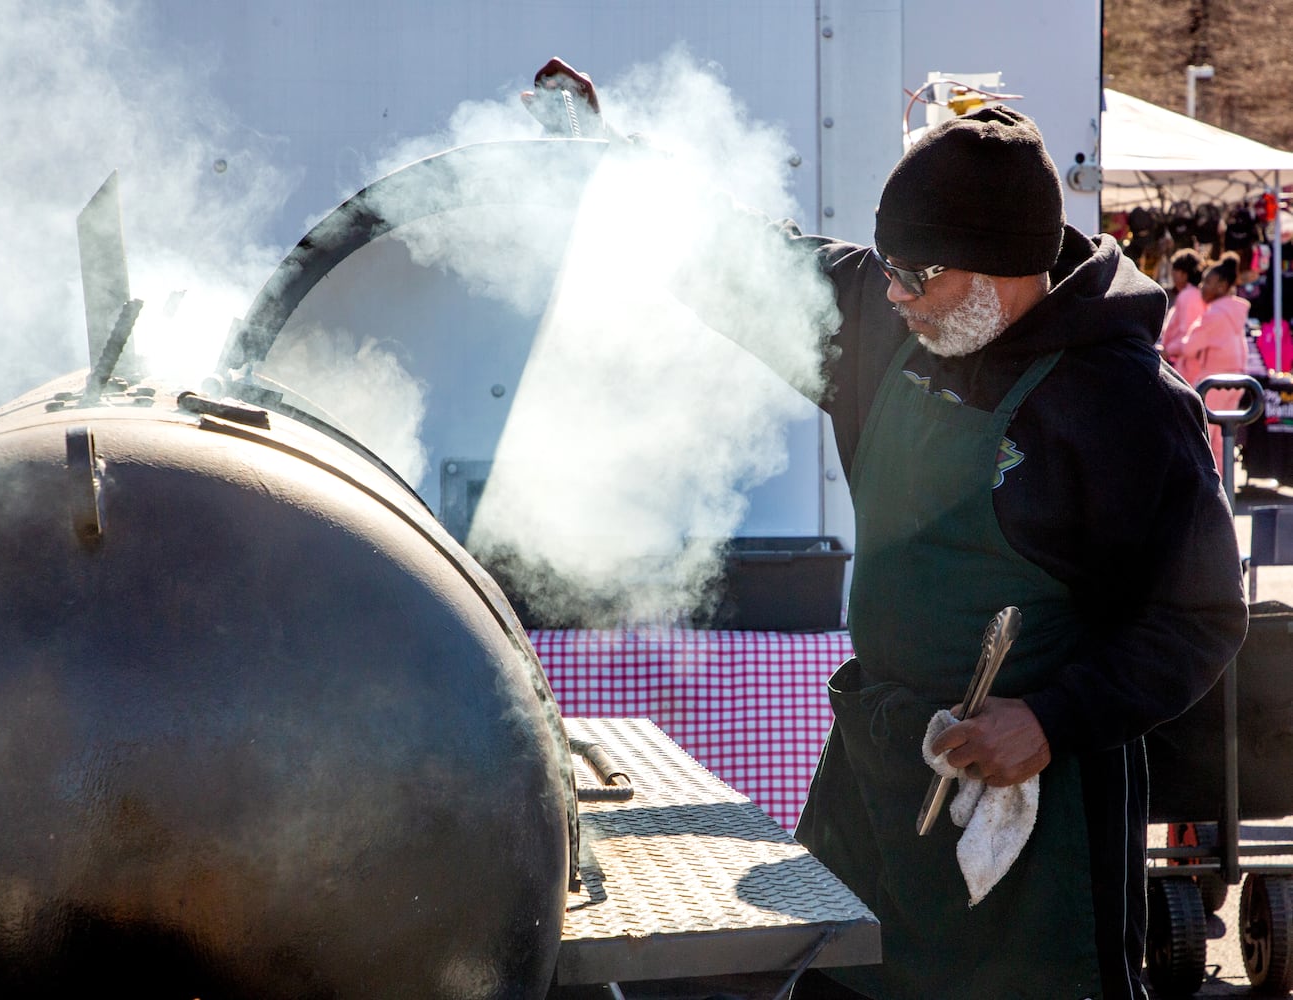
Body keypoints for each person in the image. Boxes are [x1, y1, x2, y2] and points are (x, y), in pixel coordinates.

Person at [530, 60, 1248, 999]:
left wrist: (1048, 719)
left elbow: (1199, 619)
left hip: (1040, 817)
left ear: (1001, 268)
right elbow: (739, 261)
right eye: (890, 269)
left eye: (918, 276)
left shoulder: (1124, 407)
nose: (895, 294)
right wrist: (603, 160)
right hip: (877, 770)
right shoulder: (885, 316)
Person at [1167, 251, 1251, 466]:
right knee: (1223, 438)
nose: (1202, 286)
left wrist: (1168, 350)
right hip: (1236, 378)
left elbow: (1189, 346)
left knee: (1206, 438)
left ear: (1222, 286)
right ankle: (1225, 488)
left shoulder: (1215, 314)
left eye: (1208, 282)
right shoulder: (1232, 311)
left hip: (1214, 381)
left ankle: (1212, 492)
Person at [1158, 247, 1206, 359]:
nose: (1172, 274)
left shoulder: (1188, 296)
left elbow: (1188, 334)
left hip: (1187, 365)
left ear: (1183, 274)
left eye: (1174, 270)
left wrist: (1168, 351)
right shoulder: (1190, 294)